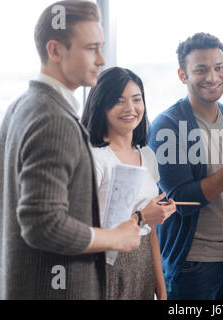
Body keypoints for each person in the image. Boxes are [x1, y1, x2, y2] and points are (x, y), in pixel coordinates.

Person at [0, 1, 142, 300]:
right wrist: (115, 237)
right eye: (91, 48)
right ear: (55, 50)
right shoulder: (53, 120)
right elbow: (43, 225)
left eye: (102, 47)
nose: (101, 59)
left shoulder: (20, 107)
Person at [148, 32, 223, 300]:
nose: (213, 77)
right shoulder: (167, 127)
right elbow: (181, 199)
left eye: (219, 67)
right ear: (183, 75)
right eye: (201, 70)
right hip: (193, 265)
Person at [81, 67, 176, 300]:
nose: (131, 109)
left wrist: (161, 289)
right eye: (119, 101)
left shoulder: (147, 155)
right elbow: (82, 230)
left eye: (137, 99)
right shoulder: (94, 157)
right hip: (104, 266)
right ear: (101, 105)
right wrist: (141, 216)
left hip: (141, 263)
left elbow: (150, 231)